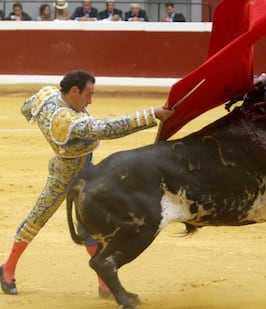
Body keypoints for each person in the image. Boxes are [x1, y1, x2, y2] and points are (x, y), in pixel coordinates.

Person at [0, 70, 173, 297]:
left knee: (91, 221)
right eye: (88, 94)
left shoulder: (47, 94)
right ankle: (7, 269)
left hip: (87, 169)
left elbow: (27, 106)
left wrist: (39, 121)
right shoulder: (68, 122)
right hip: (65, 172)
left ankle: (104, 284)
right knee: (39, 216)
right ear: (74, 91)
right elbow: (106, 129)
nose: (91, 100)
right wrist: (152, 115)